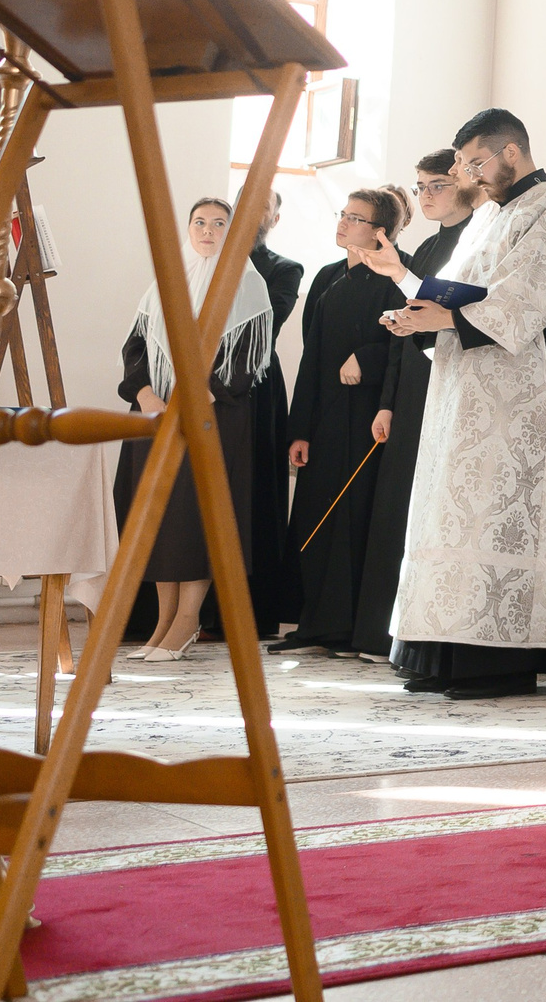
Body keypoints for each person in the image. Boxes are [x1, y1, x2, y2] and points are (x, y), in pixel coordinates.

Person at [366, 109, 546, 700]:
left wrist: (444, 315)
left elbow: (528, 301)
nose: (471, 175)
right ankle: (441, 655)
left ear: (511, 152)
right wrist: (405, 290)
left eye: (476, 162)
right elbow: (450, 292)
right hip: (469, 393)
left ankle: (494, 663)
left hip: (528, 404)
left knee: (502, 522)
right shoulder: (488, 219)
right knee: (453, 516)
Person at [114, 197, 271, 660]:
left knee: (196, 516)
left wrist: (196, 394)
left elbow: (247, 359)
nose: (208, 231)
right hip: (156, 415)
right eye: (199, 222)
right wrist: (146, 396)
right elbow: (136, 347)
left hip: (211, 417)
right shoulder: (167, 281)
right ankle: (164, 620)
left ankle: (187, 621)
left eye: (219, 223)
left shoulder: (247, 284)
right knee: (160, 516)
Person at [350, 151, 483, 661]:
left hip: (449, 388)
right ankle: (383, 632)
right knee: (395, 510)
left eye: (437, 185)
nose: (425, 195)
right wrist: (386, 404)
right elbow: (406, 333)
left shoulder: (476, 239)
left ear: (464, 186)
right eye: (421, 186)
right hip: (409, 393)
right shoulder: (427, 246)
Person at [271, 187, 410, 655]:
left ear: (380, 232)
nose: (343, 223)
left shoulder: (398, 275)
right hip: (326, 415)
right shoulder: (329, 275)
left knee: (355, 518)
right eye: (343, 214)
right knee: (313, 513)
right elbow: (312, 357)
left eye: (355, 217)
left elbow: (402, 345)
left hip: (369, 414)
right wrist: (300, 429)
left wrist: (365, 359)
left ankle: (351, 626)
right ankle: (315, 623)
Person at [241, 193, 303, 640]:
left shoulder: (284, 268)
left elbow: (269, 320)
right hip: (194, 378)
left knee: (251, 494)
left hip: (256, 386)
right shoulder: (198, 259)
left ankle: (247, 613)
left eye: (263, 205)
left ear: (274, 218)